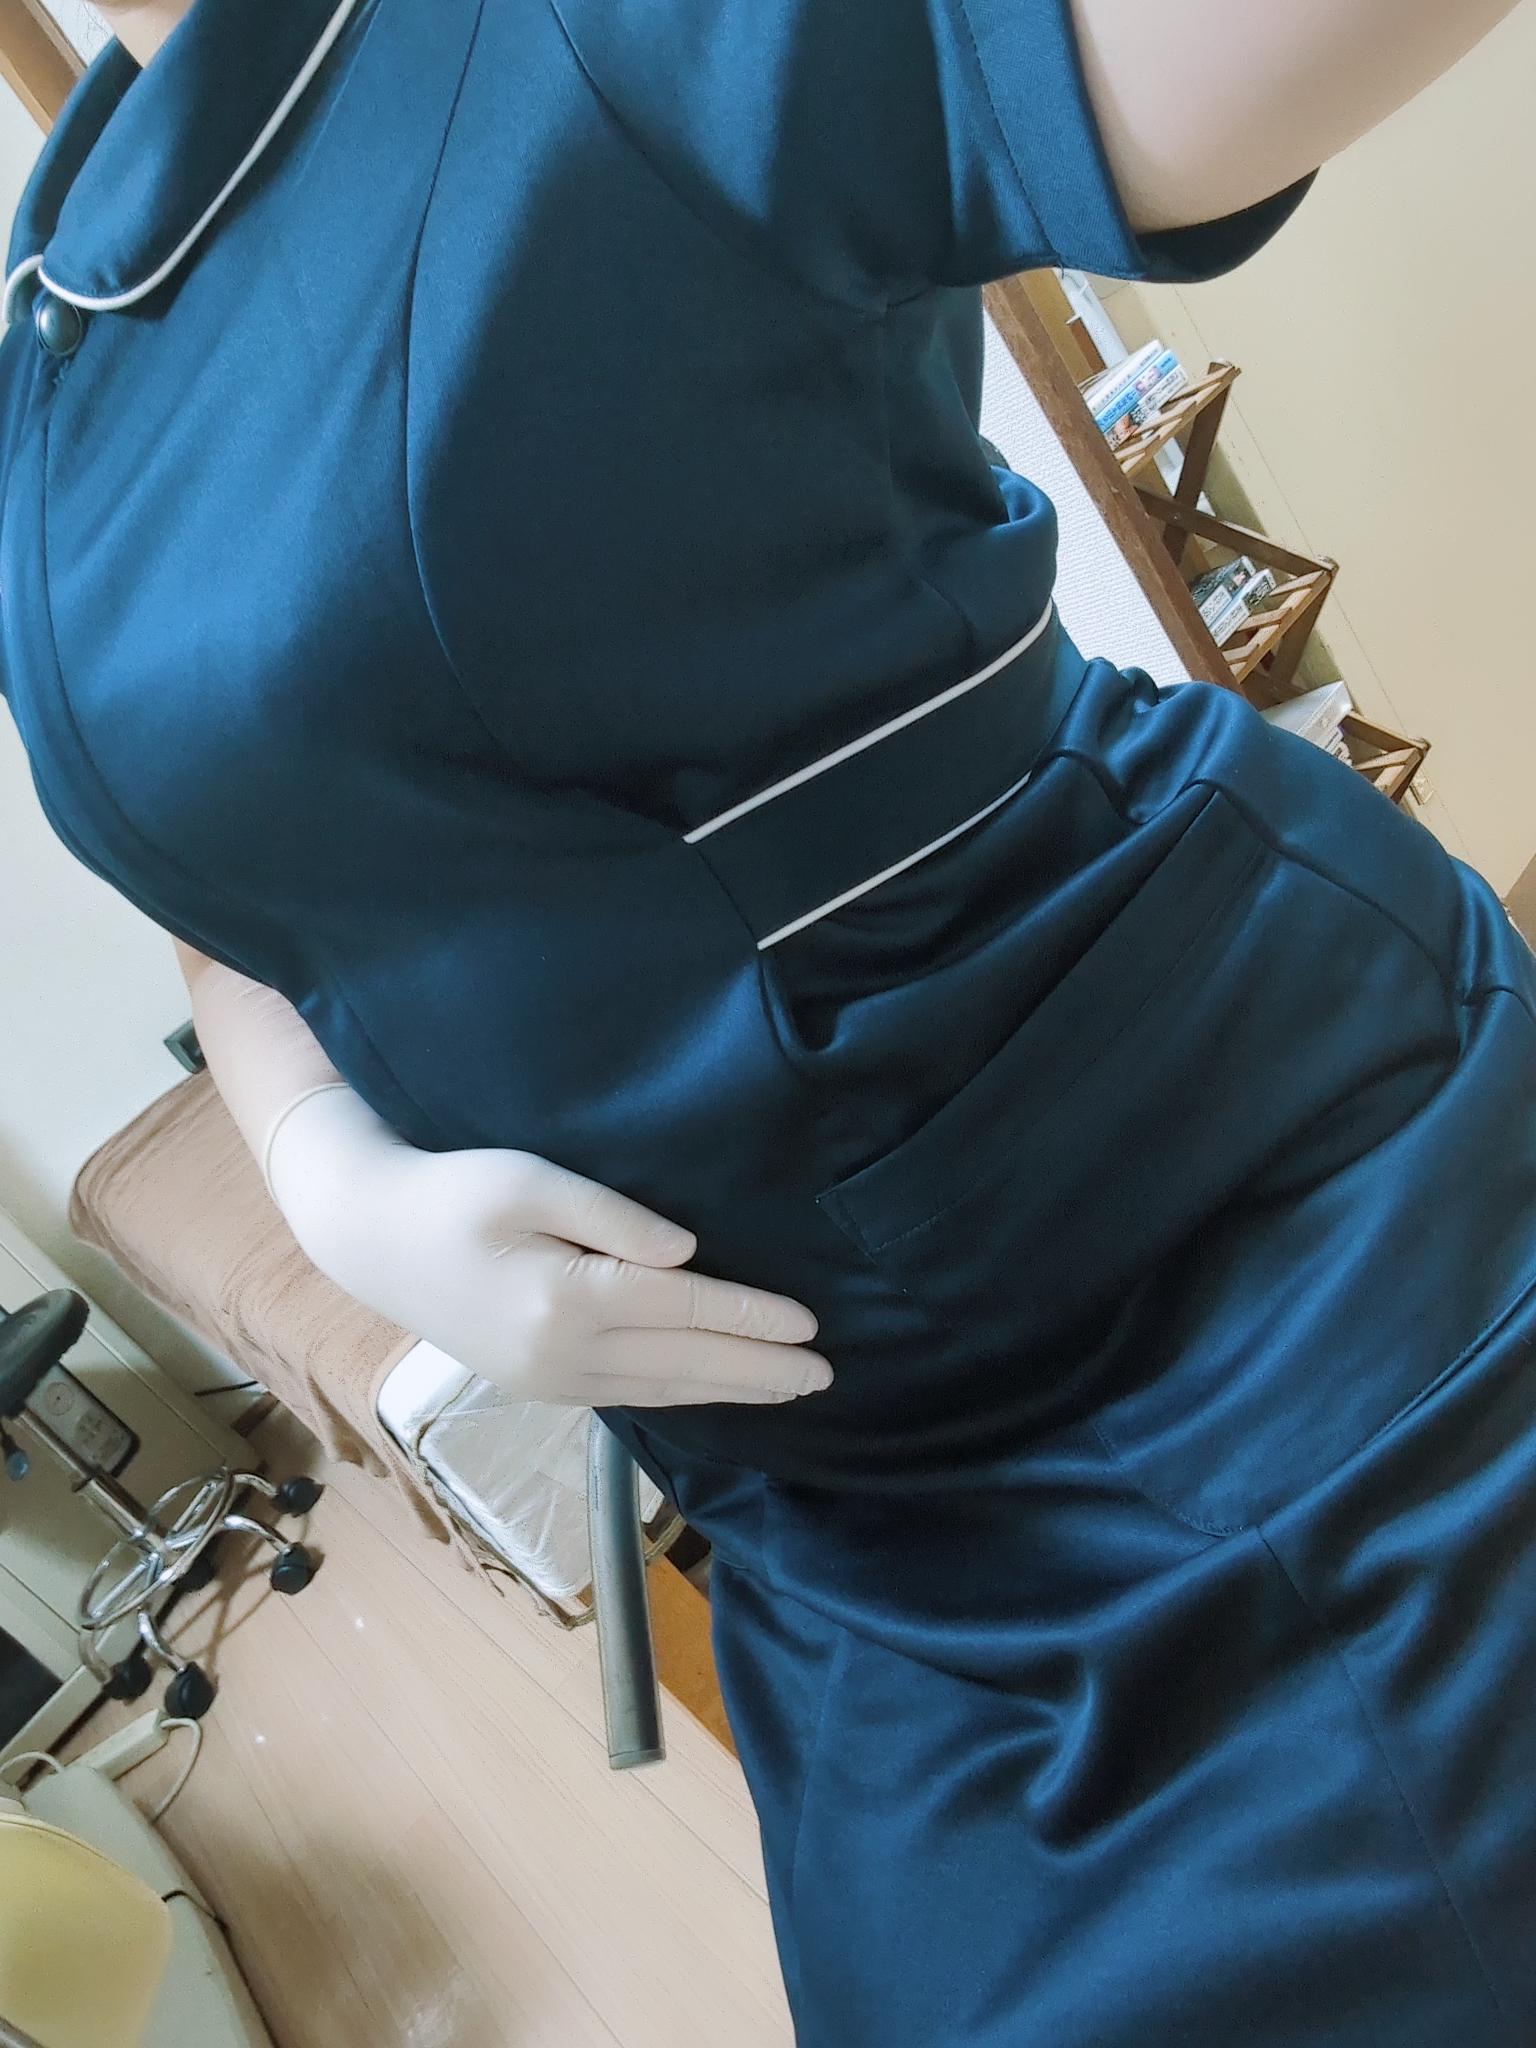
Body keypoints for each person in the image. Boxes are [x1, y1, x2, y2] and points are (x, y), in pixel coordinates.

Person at [3, 0, 1532, 2037]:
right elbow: (228, 902)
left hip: (1224, 1287)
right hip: (837, 1517)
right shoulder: (57, 312)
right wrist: (326, 1168)